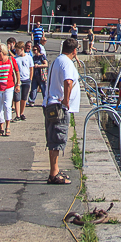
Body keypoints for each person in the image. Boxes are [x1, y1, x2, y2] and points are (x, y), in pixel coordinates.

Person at [43, 38, 80, 185]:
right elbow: (68, 81)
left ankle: (55, 170)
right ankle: (54, 174)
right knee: (57, 139)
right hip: (59, 107)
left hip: (51, 104)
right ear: (74, 51)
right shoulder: (67, 62)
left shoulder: (58, 60)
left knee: (54, 138)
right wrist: (66, 100)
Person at [14, 41, 34, 120]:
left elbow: (31, 68)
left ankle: (21, 113)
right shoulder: (15, 59)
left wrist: (30, 79)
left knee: (24, 98)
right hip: (19, 81)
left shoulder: (28, 57)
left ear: (22, 49)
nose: (16, 52)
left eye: (17, 50)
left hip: (26, 79)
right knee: (17, 98)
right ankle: (17, 115)